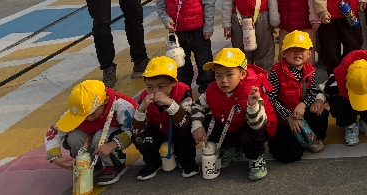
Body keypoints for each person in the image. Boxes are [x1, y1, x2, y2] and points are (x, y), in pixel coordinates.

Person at [190, 47, 277, 181]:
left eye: (229, 74)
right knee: (207, 122)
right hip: (229, 124)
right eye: (218, 75)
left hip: (255, 126)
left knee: (248, 134)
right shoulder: (212, 89)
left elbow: (257, 124)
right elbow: (197, 105)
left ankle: (256, 158)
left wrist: (252, 106)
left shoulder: (252, 91)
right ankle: (232, 148)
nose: (223, 80)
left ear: (242, 74)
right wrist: (197, 126)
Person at [45, 79, 137, 186]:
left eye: (91, 113)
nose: (88, 118)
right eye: (83, 116)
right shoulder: (78, 110)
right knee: (74, 137)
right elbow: (54, 132)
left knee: (99, 138)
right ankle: (91, 163)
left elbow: (134, 129)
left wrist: (113, 144)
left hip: (112, 133)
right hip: (91, 135)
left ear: (105, 101)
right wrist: (56, 158)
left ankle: (114, 165)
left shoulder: (121, 106)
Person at [155, 0, 215, 94]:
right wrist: (166, 20)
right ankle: (183, 92)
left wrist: (208, 27)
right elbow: (161, 7)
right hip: (177, 33)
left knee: (204, 61)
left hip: (199, 31)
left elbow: (209, 3)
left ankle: (207, 91)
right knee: (181, 65)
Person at [130, 57, 197, 180]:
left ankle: (187, 161)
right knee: (138, 136)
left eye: (161, 87)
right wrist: (141, 109)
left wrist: (171, 104)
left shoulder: (183, 91)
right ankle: (152, 162)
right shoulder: (144, 97)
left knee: (186, 130)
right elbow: (135, 130)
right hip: (158, 133)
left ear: (173, 83)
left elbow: (184, 123)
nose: (155, 92)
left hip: (177, 130)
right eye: (150, 87)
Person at [267, 30, 328, 162]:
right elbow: (271, 98)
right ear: (284, 53)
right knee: (289, 155)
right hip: (283, 119)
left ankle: (307, 138)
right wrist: (288, 117)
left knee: (321, 113)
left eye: (302, 49)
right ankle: (295, 139)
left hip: (301, 113)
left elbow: (311, 92)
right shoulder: (276, 72)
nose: (298, 53)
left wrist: (303, 104)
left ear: (309, 53)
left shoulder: (310, 70)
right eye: (292, 49)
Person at [319, 49, 367, 146]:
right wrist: (319, 100)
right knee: (335, 101)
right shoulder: (336, 79)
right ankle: (350, 124)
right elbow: (321, 90)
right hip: (347, 102)